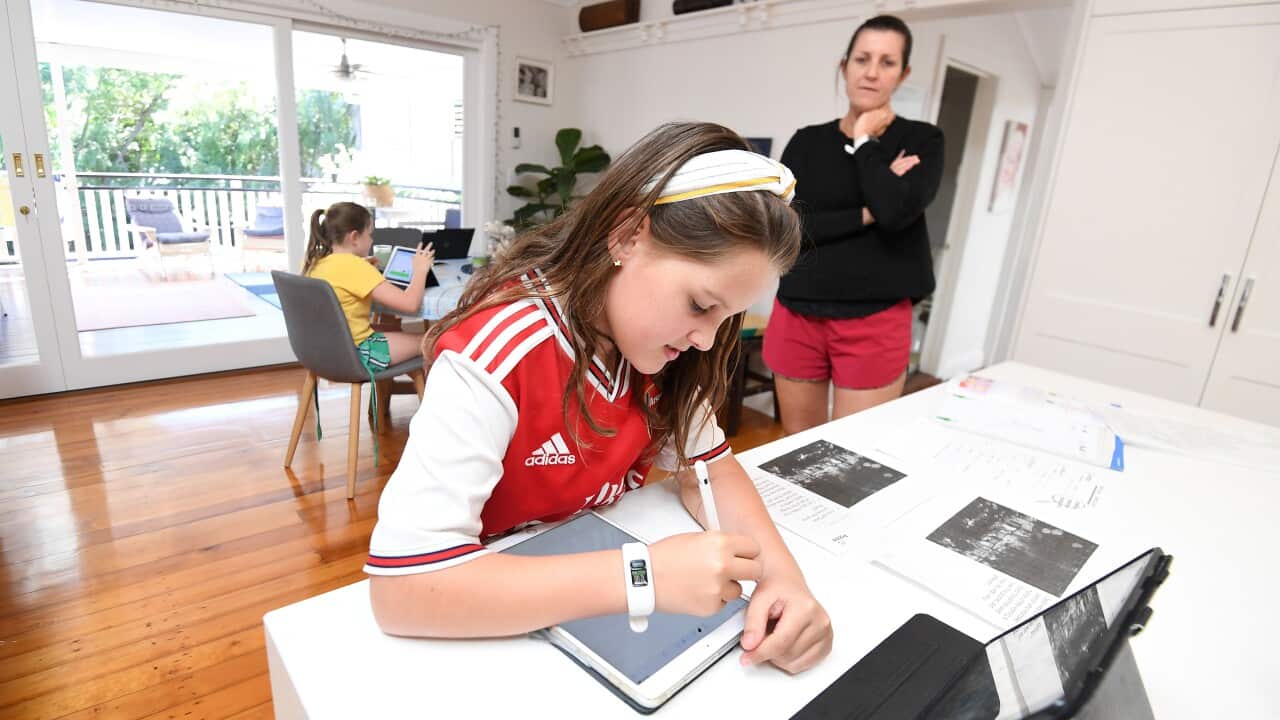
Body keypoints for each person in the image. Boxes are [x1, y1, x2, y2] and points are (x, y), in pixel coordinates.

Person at [365, 122, 833, 674]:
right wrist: (643, 576)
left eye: (726, 317)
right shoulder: (498, 353)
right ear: (628, 236)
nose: (707, 339)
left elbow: (709, 472)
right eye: (700, 306)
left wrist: (782, 579)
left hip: (579, 601)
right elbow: (403, 589)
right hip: (482, 624)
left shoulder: (665, 352)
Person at [765, 15, 944, 435]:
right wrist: (867, 212)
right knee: (796, 446)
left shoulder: (923, 140)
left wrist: (865, 143)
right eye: (862, 59)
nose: (871, 72)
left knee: (853, 451)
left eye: (887, 62)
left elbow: (895, 213)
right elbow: (785, 227)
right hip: (797, 310)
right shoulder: (807, 141)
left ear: (903, 74)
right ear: (844, 66)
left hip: (875, 318)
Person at [302, 201, 434, 371]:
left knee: (391, 328)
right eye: (369, 234)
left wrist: (363, 269)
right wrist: (420, 270)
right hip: (359, 354)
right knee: (433, 340)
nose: (371, 240)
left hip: (322, 351)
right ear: (354, 237)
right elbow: (411, 304)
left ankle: (389, 386)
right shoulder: (356, 267)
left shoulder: (315, 262)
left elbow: (343, 276)